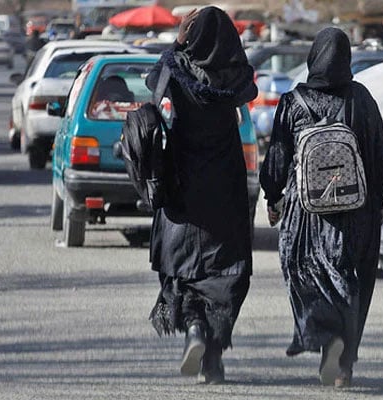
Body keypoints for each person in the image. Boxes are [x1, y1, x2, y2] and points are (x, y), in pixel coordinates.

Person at [260, 27, 383, 388]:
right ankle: (344, 361)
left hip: (307, 215)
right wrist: (376, 202)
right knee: (351, 283)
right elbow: (377, 157)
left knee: (309, 277)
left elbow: (278, 158)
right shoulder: (362, 99)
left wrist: (273, 198)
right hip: (355, 212)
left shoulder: (293, 102)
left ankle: (326, 342)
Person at [146, 7, 258, 385]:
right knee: (226, 269)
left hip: (182, 180)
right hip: (224, 182)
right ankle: (212, 357)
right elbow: (248, 83)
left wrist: (177, 43)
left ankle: (194, 329)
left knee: (183, 266)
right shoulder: (236, 78)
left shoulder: (179, 70)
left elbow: (153, 81)